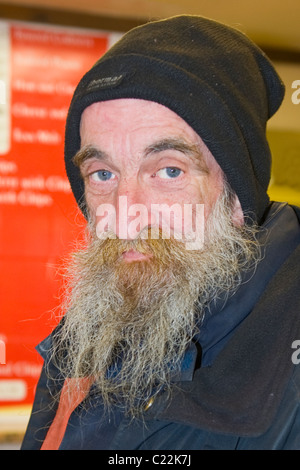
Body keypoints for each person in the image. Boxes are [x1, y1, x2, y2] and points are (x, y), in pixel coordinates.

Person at [21, 15, 300, 450]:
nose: (126, 213)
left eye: (169, 170)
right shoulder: (85, 340)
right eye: (102, 173)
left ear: (236, 198)